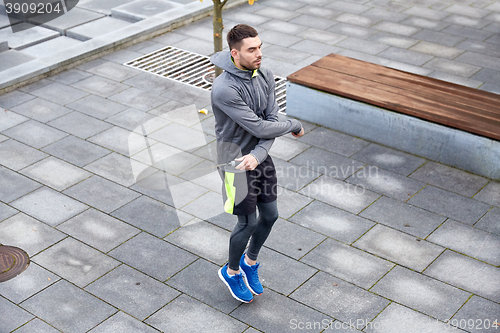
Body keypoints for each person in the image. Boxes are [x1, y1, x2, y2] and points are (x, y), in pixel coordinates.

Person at [210, 24, 304, 303]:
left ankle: (250, 263)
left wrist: (260, 154)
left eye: (260, 46)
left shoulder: (264, 73)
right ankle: (232, 270)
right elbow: (262, 128)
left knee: (271, 215)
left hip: (258, 156)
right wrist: (295, 124)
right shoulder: (224, 89)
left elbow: (271, 120)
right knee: (247, 222)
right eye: (252, 50)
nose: (259, 53)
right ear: (235, 53)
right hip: (235, 162)